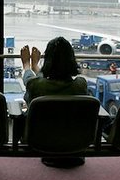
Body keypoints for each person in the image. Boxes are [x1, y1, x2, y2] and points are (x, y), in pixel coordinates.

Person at [20, 36, 88, 168]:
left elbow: (32, 83)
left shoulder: (37, 86)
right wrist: (34, 67)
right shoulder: (80, 85)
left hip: (42, 140)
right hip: (75, 141)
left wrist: (28, 66)